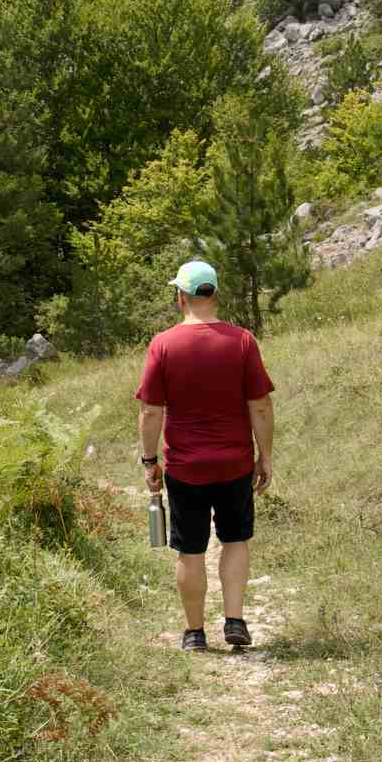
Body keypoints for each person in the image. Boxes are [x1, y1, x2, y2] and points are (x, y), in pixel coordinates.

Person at [136, 258, 276, 651]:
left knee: (190, 548)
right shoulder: (243, 341)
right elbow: (260, 406)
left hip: (185, 468)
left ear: (180, 296)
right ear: (214, 293)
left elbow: (150, 411)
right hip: (234, 464)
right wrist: (264, 457)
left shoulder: (163, 345)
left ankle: (195, 633)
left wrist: (150, 462)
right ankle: (235, 621)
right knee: (234, 540)